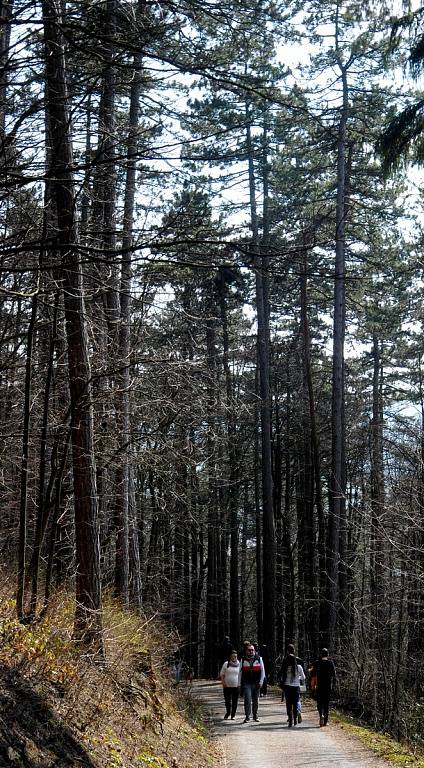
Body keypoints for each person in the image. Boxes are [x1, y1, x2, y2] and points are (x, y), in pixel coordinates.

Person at [278, 644, 305, 727]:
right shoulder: (299, 667)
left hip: (287, 687)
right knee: (296, 703)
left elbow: (280, 674)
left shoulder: (286, 666)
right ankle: (295, 719)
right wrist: (298, 678)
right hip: (296, 687)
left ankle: (290, 720)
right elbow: (303, 677)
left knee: (288, 704)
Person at [238, 643, 265, 723]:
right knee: (247, 699)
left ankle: (255, 716)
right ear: (246, 651)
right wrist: (239, 684)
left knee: (255, 700)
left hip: (256, 683)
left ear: (255, 651)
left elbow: (263, 671)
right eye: (249, 650)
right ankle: (247, 716)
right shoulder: (242, 659)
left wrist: (261, 682)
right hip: (247, 683)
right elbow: (240, 673)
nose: (251, 651)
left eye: (252, 650)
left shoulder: (259, 659)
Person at [309, 648, 336, 727]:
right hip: (328, 686)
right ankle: (326, 721)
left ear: (321, 655)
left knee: (319, 703)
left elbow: (312, 674)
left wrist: (312, 685)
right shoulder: (330, 663)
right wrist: (333, 685)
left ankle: (321, 715)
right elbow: (334, 675)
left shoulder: (317, 663)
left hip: (319, 686)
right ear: (327, 655)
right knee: (326, 704)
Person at [219, 649, 240, 720]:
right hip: (227, 686)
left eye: (235, 656)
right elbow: (221, 674)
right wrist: (223, 682)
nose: (234, 658)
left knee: (235, 701)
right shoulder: (226, 664)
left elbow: (241, 675)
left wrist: (240, 684)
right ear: (230, 657)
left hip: (236, 686)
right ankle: (228, 712)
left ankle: (233, 715)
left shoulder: (239, 664)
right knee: (227, 701)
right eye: (233, 656)